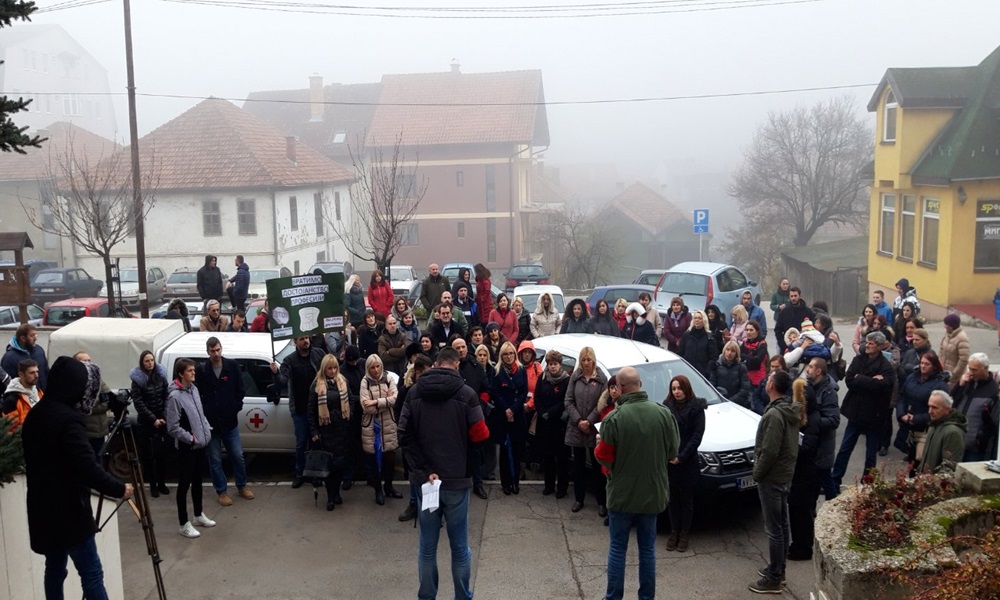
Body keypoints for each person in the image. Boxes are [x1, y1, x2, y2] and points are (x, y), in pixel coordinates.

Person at [22, 356, 133, 599]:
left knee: (54, 569)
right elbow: (87, 468)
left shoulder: (37, 413)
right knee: (91, 573)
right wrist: (118, 488)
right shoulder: (69, 421)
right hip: (69, 511)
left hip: (43, 508)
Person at [398, 347, 489, 600]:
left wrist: (424, 469)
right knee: (459, 547)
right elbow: (481, 435)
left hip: (426, 483)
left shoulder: (414, 392)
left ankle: (427, 597)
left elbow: (403, 433)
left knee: (427, 547)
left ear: (436, 363)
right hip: (456, 480)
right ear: (457, 365)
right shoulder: (467, 394)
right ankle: (462, 596)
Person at [594, 366, 679, 600]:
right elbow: (673, 451)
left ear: (620, 388)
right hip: (652, 494)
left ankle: (613, 597)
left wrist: (615, 467)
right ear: (639, 384)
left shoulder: (614, 419)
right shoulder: (663, 414)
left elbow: (603, 456)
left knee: (618, 549)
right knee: (648, 550)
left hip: (621, 495)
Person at [749, 370, 802, 594]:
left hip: (772, 477)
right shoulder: (787, 410)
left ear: (772, 386)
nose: (765, 381)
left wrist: (757, 474)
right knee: (782, 525)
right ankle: (778, 568)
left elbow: (769, 451)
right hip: (784, 475)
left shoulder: (774, 415)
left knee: (774, 529)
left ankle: (774, 578)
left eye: (769, 378)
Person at [831, 332, 895, 486]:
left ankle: (867, 482)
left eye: (871, 344)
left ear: (879, 347)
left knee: (871, 453)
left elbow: (885, 386)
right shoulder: (858, 359)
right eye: (867, 342)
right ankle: (835, 479)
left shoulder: (886, 366)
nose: (867, 345)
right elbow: (850, 380)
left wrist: (861, 379)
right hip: (855, 412)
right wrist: (870, 381)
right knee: (845, 448)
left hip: (874, 416)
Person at [196, 337, 253, 507]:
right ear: (208, 352)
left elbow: (240, 389)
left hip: (229, 422)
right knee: (215, 459)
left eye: (218, 350)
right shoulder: (202, 370)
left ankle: (241, 486)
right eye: (213, 351)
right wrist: (205, 413)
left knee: (238, 456)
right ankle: (221, 491)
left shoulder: (232, 366)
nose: (216, 354)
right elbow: (199, 395)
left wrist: (235, 406)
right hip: (211, 424)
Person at [166, 358, 217, 539]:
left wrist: (206, 431)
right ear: (181, 373)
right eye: (190, 371)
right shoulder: (174, 397)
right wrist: (191, 438)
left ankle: (198, 515)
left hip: (200, 444)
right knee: (184, 484)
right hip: (187, 447)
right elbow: (172, 427)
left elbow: (200, 414)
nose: (193, 373)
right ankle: (183, 523)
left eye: (194, 370)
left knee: (197, 481)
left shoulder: (194, 389)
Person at [271, 335, 325, 488]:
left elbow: (329, 368)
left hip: (318, 407)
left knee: (317, 443)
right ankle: (300, 474)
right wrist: (275, 373)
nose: (305, 341)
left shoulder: (318, 354)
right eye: (301, 339)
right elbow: (282, 381)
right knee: (301, 443)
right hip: (300, 409)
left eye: (307, 338)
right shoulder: (289, 360)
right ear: (295, 341)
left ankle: (316, 474)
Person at [564, 346, 608, 516]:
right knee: (578, 466)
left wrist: (589, 421)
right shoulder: (575, 378)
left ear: (593, 360)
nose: (586, 363)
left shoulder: (601, 379)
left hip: (593, 428)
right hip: (577, 427)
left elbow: (602, 402)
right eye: (584, 360)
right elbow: (568, 400)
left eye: (589, 360)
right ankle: (579, 499)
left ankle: (601, 502)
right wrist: (578, 420)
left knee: (598, 468)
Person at [663, 375, 705, 553]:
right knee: (672, 499)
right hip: (670, 461)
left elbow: (697, 436)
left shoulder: (697, 408)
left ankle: (685, 533)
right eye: (674, 389)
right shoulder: (666, 408)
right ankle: (674, 532)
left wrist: (682, 456)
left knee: (686, 499)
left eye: (679, 388)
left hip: (687, 461)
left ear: (686, 389)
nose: (677, 392)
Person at [308, 354, 355, 510]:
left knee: (340, 465)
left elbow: (351, 401)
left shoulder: (343, 382)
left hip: (342, 430)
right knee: (329, 466)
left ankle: (337, 493)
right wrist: (314, 430)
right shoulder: (317, 384)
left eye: (335, 367)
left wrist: (349, 418)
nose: (333, 371)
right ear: (324, 369)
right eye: (330, 368)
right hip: (326, 430)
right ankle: (330, 496)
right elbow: (311, 409)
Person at [396, 353, 435, 520]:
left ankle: (432, 510)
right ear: (417, 373)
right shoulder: (406, 390)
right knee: (414, 473)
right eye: (427, 373)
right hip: (412, 440)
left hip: (429, 438)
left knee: (430, 474)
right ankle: (413, 503)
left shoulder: (432, 389)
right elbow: (399, 413)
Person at [360, 354, 401, 505]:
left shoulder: (389, 378)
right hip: (372, 427)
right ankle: (378, 490)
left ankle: (389, 487)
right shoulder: (364, 382)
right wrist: (385, 401)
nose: (376, 370)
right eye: (372, 367)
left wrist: (375, 402)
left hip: (388, 424)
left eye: (378, 366)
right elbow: (366, 407)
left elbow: (395, 399)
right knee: (374, 460)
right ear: (368, 368)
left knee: (389, 458)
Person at [897, 350, 948, 467]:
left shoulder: (940, 385)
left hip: (924, 430)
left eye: (927, 364)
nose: (923, 366)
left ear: (934, 366)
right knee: (910, 461)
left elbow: (940, 411)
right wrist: (901, 414)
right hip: (908, 426)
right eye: (922, 363)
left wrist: (916, 418)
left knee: (921, 464)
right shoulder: (911, 377)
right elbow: (902, 396)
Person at [130, 350, 170, 498]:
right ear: (142, 362)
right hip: (146, 423)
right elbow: (138, 402)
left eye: (152, 360)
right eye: (147, 361)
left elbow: (166, 396)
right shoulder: (138, 380)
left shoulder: (160, 376)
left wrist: (164, 416)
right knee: (148, 456)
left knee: (162, 455)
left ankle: (161, 483)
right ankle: (152, 485)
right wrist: (153, 419)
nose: (150, 363)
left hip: (162, 421)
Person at [490, 341, 528, 495]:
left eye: (511, 353)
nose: (508, 356)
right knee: (505, 452)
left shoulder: (521, 369)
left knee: (518, 450)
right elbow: (495, 393)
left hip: (518, 415)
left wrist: (513, 409)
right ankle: (505, 483)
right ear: (501, 355)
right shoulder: (497, 371)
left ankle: (516, 482)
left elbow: (524, 391)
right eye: (505, 354)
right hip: (503, 416)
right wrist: (506, 409)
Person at [787, 378, 818, 561]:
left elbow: (808, 448)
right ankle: (798, 544)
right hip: (799, 472)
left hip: (806, 474)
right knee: (795, 511)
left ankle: (804, 547)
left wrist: (791, 447)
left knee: (803, 513)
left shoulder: (813, 420)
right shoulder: (805, 418)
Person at [949, 352, 999, 462]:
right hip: (958, 440)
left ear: (985, 369)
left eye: (974, 370)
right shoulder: (967, 383)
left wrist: (981, 438)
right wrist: (959, 386)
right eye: (969, 368)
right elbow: (951, 403)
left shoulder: (993, 390)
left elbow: (992, 422)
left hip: (975, 447)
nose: (971, 373)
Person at [803, 358, 841, 502]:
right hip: (813, 443)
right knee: (813, 481)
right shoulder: (810, 386)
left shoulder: (829, 392)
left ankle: (832, 507)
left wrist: (811, 422)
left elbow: (834, 420)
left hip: (823, 445)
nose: (808, 369)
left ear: (818, 371)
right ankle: (811, 510)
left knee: (825, 477)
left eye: (811, 367)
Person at [534, 349, 570, 498]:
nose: (552, 367)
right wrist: (542, 411)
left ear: (560, 365)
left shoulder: (566, 380)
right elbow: (537, 396)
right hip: (545, 422)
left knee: (561, 458)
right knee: (547, 456)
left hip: (559, 423)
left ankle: (562, 488)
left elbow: (566, 400)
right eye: (550, 364)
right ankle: (548, 485)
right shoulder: (542, 377)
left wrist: (552, 411)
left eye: (555, 364)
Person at [916, 391, 968, 474]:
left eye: (934, 407)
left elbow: (949, 468)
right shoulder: (934, 425)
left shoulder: (953, 432)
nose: (930, 411)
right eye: (929, 407)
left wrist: (932, 483)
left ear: (947, 409)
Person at [2, 323, 49, 391]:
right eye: (32, 335)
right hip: (22, 399)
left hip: (42, 396)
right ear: (23, 338)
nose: (36, 338)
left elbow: (46, 372)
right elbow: (6, 383)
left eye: (35, 334)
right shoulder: (9, 358)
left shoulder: (39, 350)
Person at [1, 358, 41, 430]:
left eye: (37, 372)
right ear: (21, 374)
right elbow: (11, 430)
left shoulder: (39, 392)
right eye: (32, 373)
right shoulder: (12, 400)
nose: (36, 375)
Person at [711, 341, 752, 409]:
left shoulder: (741, 368)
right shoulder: (716, 366)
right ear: (724, 351)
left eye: (733, 351)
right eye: (728, 350)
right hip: (720, 403)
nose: (729, 353)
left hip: (736, 404)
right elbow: (712, 385)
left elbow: (745, 389)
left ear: (736, 353)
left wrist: (731, 401)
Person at [678, 310, 717, 378]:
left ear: (704, 320)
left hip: (701, 373)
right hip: (687, 371)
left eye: (699, 318)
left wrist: (707, 371)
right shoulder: (687, 335)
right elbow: (680, 352)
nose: (697, 320)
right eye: (695, 318)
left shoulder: (709, 337)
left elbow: (714, 357)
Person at [774, 287, 814, 354]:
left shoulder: (808, 312)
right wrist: (784, 346)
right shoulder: (784, 312)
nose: (793, 298)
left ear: (800, 296)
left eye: (795, 296)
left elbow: (813, 330)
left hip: (804, 348)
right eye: (791, 296)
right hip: (786, 348)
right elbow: (778, 330)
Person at [939, 313, 971, 383]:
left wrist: (953, 375)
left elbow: (963, 360)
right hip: (944, 373)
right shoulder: (947, 334)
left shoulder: (962, 338)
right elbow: (941, 350)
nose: (944, 326)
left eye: (946, 324)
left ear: (952, 326)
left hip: (955, 378)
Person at [741, 321, 769, 389]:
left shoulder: (762, 344)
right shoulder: (744, 342)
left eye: (751, 330)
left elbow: (758, 360)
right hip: (746, 377)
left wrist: (745, 357)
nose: (748, 332)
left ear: (757, 331)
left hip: (758, 379)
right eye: (747, 330)